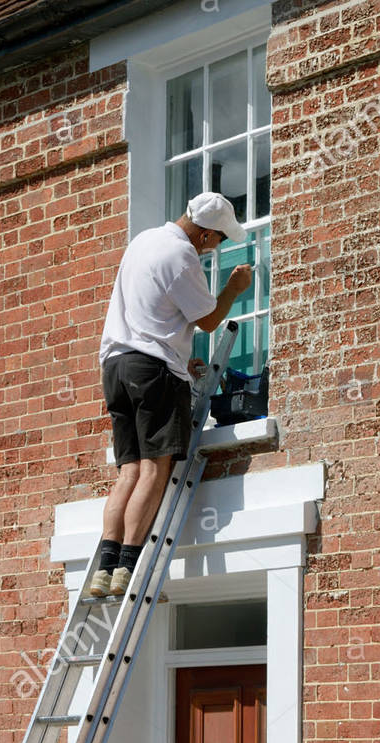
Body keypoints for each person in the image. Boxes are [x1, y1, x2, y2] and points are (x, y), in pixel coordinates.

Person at [88, 192, 254, 599]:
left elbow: (154, 314)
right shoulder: (182, 257)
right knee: (152, 471)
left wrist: (180, 357)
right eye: (218, 239)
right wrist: (233, 288)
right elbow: (210, 319)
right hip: (152, 370)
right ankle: (128, 567)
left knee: (128, 471)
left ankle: (103, 568)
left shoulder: (143, 241)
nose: (217, 246)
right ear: (203, 235)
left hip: (116, 367)